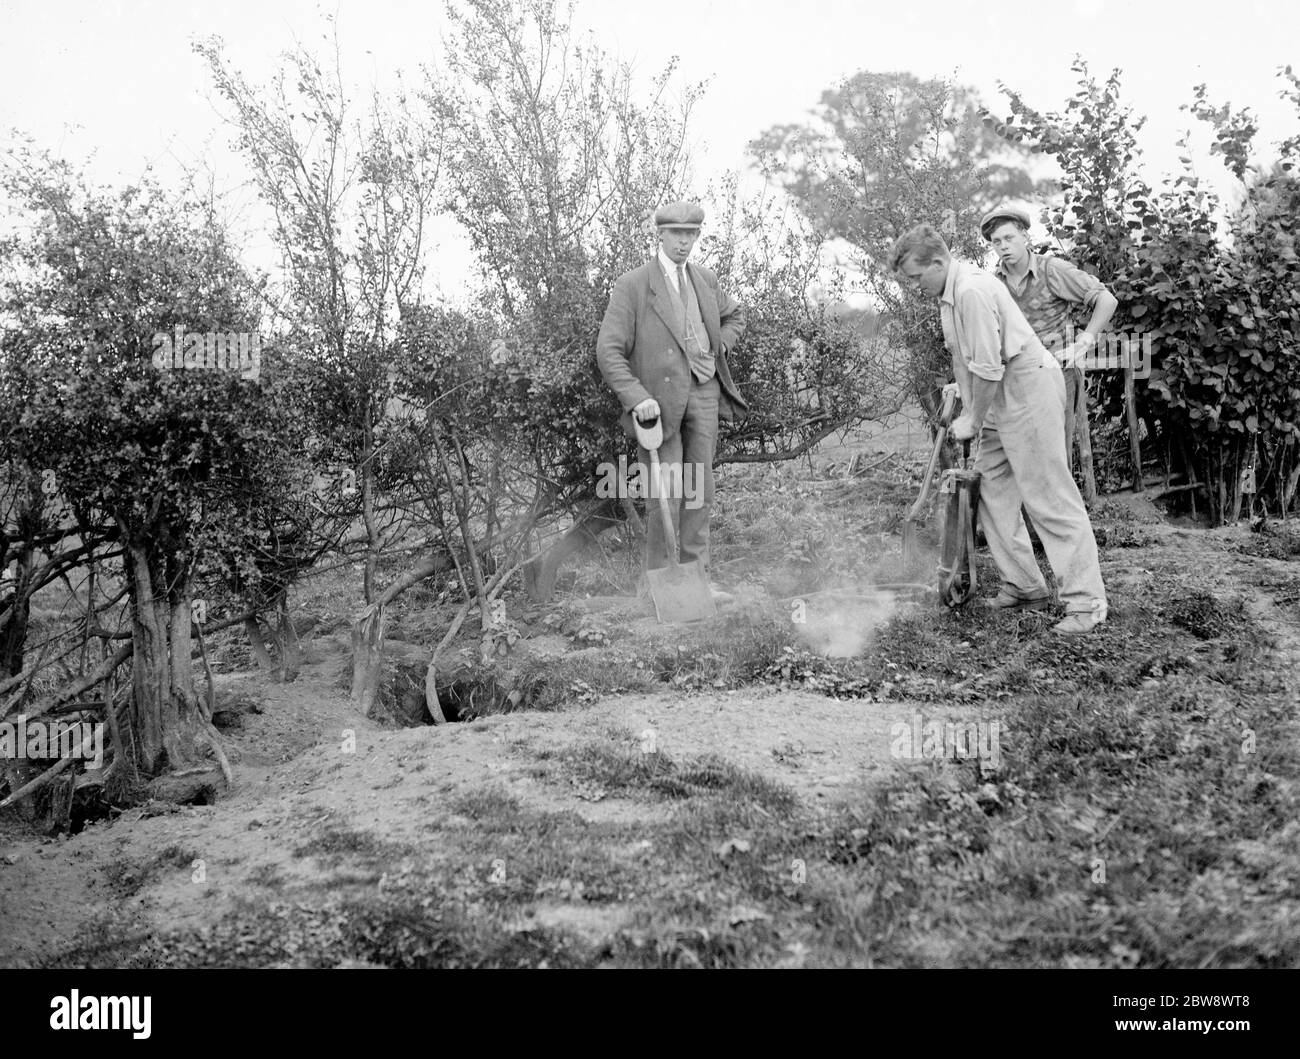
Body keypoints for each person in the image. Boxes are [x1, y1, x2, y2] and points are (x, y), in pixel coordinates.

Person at [890, 223, 1108, 635]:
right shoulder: (946, 294)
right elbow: (962, 359)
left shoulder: (970, 290)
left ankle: (1086, 603)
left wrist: (973, 419)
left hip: (1028, 386)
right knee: (989, 487)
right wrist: (971, 411)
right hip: (998, 392)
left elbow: (990, 367)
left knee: (1047, 493)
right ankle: (1024, 584)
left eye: (918, 277)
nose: (915, 286)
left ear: (938, 262)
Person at [596, 201, 747, 590]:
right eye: (676, 234)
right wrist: (635, 396)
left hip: (705, 393)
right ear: (660, 235)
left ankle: (696, 580)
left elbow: (735, 316)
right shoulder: (633, 285)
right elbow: (607, 350)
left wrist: (718, 348)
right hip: (658, 407)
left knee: (700, 490)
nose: (684, 242)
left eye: (691, 234)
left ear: (697, 236)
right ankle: (659, 585)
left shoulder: (705, 280)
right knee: (665, 493)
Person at [981, 206, 1119, 468]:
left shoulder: (1052, 270)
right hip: (1015, 379)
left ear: (1025, 237)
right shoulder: (992, 284)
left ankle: (1061, 509)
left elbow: (1106, 300)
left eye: (1009, 238)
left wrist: (1085, 341)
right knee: (1018, 459)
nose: (1003, 247)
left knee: (1054, 460)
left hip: (1056, 374)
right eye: (997, 242)